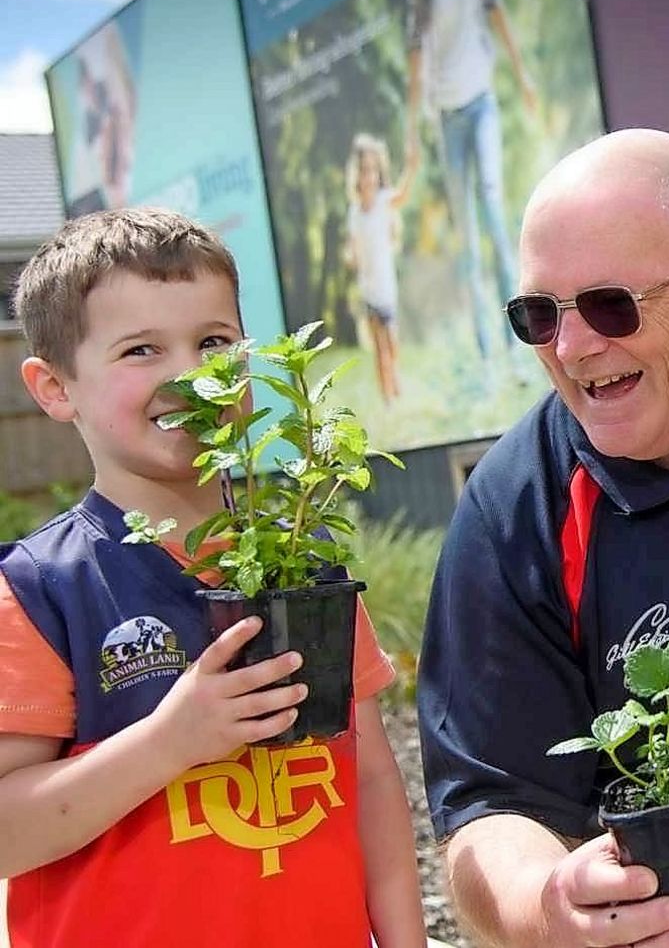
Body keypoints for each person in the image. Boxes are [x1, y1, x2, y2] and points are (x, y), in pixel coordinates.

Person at [0, 207, 427, 948]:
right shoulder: (40, 590)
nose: (192, 376)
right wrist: (170, 742)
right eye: (141, 349)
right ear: (54, 386)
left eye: (214, 342)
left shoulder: (301, 565)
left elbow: (370, 779)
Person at [417, 128, 669, 948]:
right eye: (539, 316)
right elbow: (490, 807)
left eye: (612, 304)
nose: (572, 348)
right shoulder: (514, 509)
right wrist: (549, 905)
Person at [405, 0, 536, 363]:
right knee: (468, 239)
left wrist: (523, 76)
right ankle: (485, 354)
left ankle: (518, 344)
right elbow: (415, 50)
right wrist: (411, 135)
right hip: (447, 116)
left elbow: (495, 9)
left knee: (494, 213)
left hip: (481, 102)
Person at [345, 132, 418, 404]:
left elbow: (403, 194)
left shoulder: (384, 201)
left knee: (391, 343)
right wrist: (350, 256)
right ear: (357, 174)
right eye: (365, 170)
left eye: (374, 170)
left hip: (387, 289)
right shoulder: (355, 212)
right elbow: (353, 246)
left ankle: (395, 380)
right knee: (379, 347)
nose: (370, 177)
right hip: (368, 290)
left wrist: (410, 168)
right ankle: (386, 396)